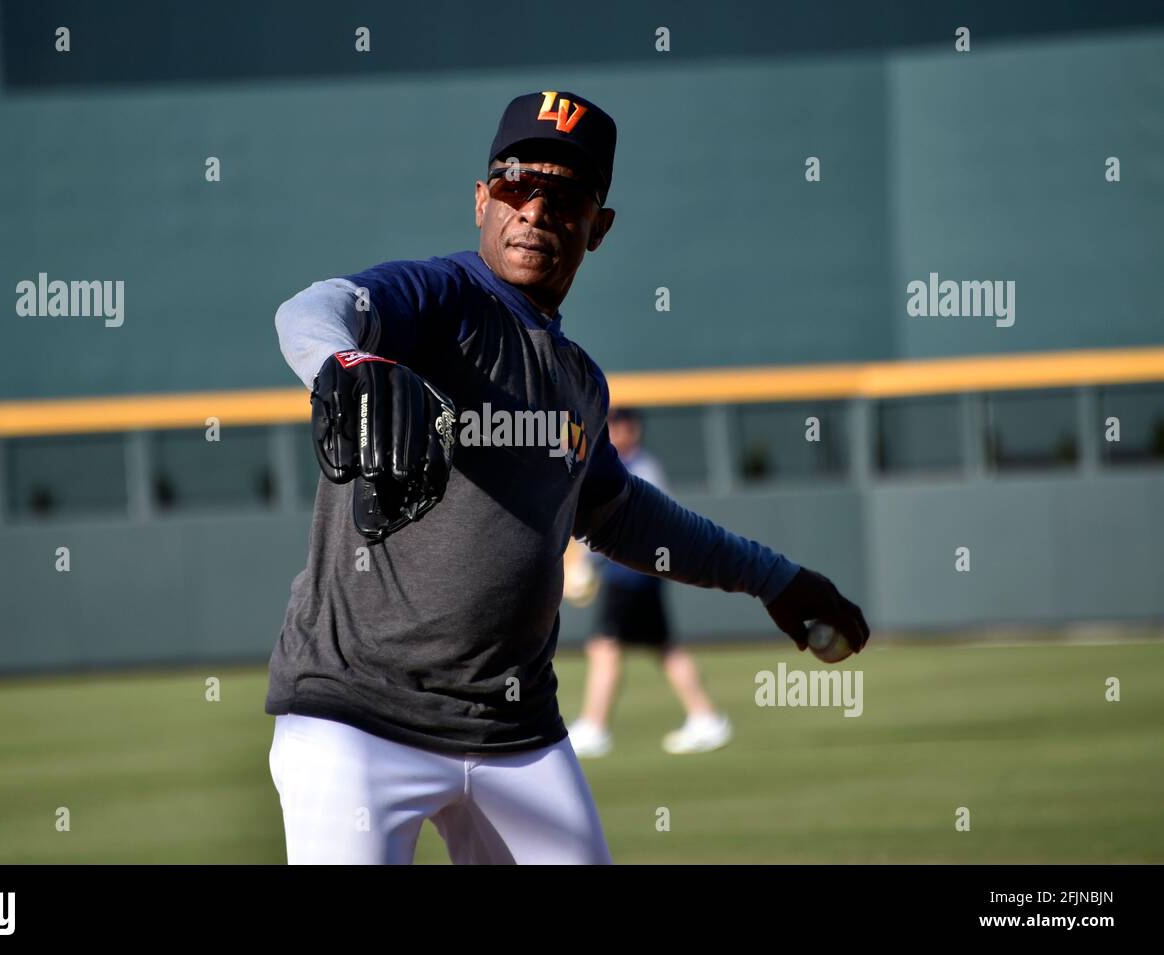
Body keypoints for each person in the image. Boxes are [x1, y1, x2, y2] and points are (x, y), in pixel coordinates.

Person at [266, 90, 870, 864]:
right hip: (357, 718)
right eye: (517, 183)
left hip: (514, 731)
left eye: (566, 195)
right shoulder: (436, 302)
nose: (536, 208)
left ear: (599, 225)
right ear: (483, 199)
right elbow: (309, 310)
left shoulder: (579, 384)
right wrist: (344, 363)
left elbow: (626, 519)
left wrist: (775, 578)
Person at [566, 408, 733, 758]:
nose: (618, 432)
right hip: (632, 572)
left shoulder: (642, 468)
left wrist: (586, 564)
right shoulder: (611, 465)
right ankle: (706, 717)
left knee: (605, 647)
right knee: (664, 648)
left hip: (633, 573)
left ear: (635, 430)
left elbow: (626, 522)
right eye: (613, 425)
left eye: (624, 426)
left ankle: (595, 726)